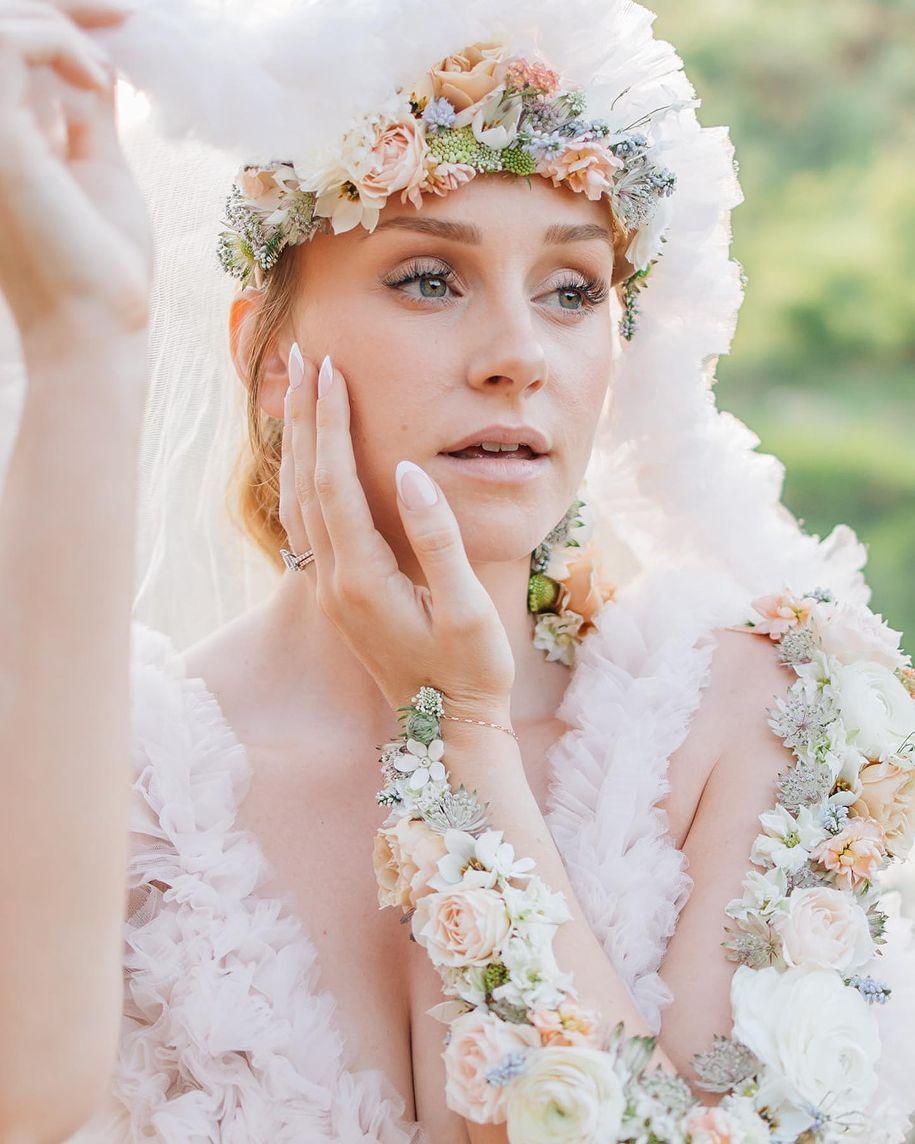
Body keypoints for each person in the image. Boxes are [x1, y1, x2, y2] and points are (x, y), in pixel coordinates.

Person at [2, 1, 914, 1141]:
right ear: (268, 358)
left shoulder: (769, 709)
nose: (519, 358)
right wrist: (84, 334)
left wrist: (459, 732)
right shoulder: (117, 776)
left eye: (572, 290)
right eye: (430, 277)